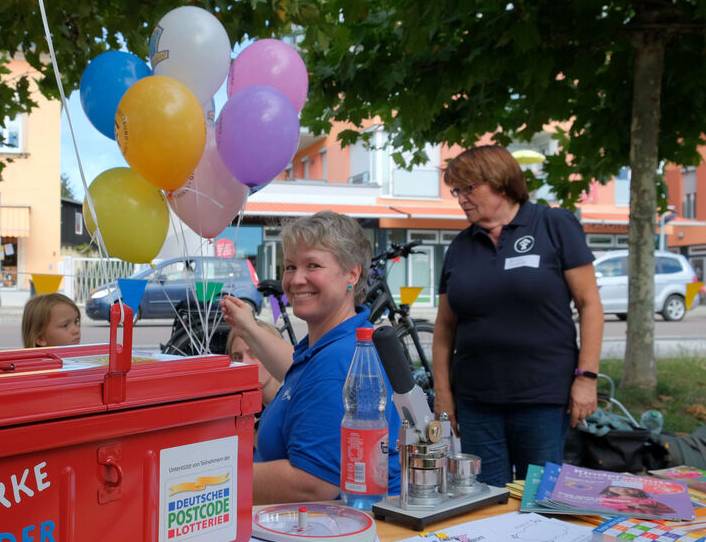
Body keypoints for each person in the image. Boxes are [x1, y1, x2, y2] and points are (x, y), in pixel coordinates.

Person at [432, 145, 604, 488]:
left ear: (500, 183)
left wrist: (587, 378)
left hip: (541, 396)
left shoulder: (553, 224)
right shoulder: (460, 246)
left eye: (469, 189)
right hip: (476, 399)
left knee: (539, 497)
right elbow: (445, 326)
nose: (461, 199)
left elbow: (590, 305)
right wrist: (443, 393)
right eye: (456, 191)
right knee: (485, 497)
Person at [222, 211, 401, 504]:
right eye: (290, 266)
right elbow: (300, 375)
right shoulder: (339, 342)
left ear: (352, 274)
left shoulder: (339, 360)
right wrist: (248, 328)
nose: (296, 279)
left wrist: (206, 480)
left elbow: (313, 484)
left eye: (313, 265)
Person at [225, 321, 283, 406]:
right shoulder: (247, 406)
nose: (244, 363)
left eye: (255, 353)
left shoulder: (295, 402)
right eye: (238, 357)